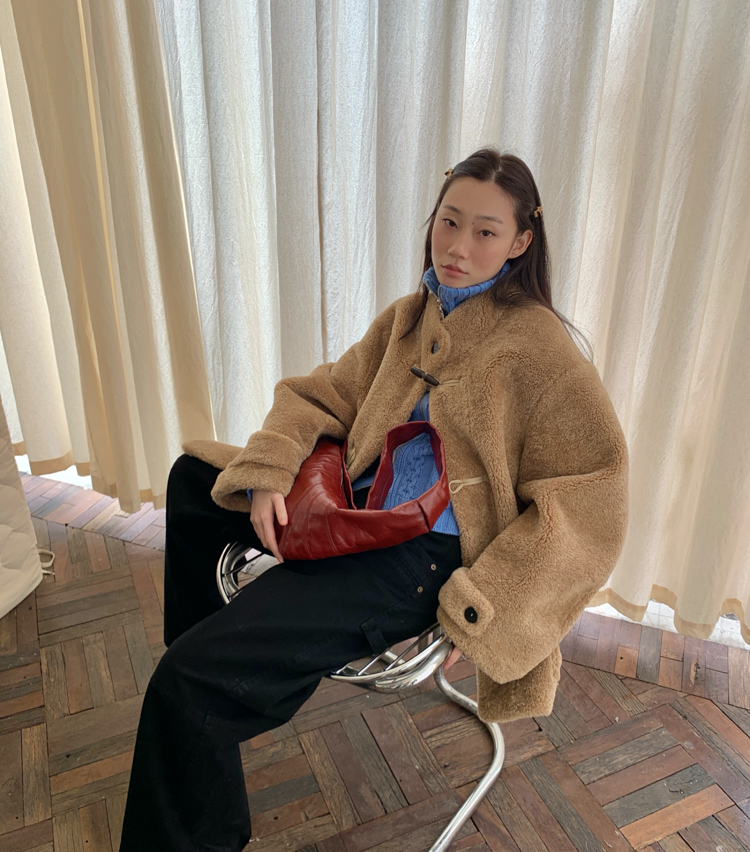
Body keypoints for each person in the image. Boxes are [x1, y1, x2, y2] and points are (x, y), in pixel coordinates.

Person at [119, 148, 628, 852]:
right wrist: (271, 469)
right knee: (191, 479)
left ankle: (202, 696)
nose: (458, 246)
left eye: (485, 231)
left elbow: (591, 504)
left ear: (520, 242)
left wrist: (484, 606)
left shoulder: (542, 353)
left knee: (181, 685)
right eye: (449, 221)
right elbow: (323, 393)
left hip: (424, 558)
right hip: (352, 509)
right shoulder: (409, 317)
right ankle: (214, 687)